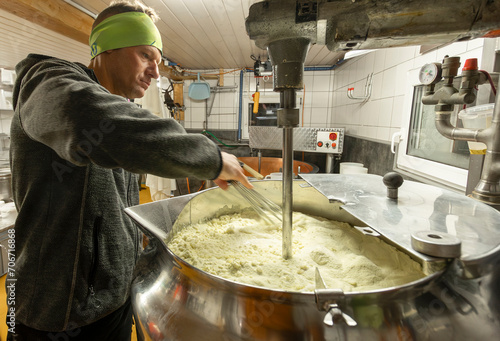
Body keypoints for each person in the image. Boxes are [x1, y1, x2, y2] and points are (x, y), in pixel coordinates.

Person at [6, 0, 251, 340]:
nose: (155, 71)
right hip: (58, 309)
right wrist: (211, 157)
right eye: (145, 55)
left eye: (158, 62)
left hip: (114, 299)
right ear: (107, 48)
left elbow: (113, 207)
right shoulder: (47, 82)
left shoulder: (120, 109)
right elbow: (84, 115)